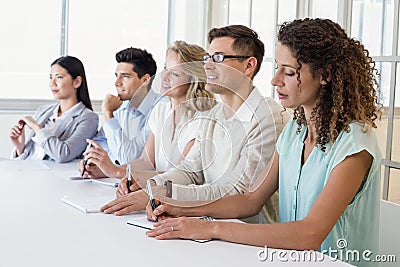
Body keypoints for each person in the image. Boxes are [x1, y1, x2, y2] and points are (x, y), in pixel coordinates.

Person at [146, 18, 382, 267]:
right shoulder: (294, 131)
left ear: (325, 75)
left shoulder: (355, 144)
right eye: (277, 68)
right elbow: (251, 200)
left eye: (289, 72)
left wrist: (211, 228)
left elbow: (309, 234)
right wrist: (179, 208)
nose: (275, 80)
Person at [104, 25, 286, 223]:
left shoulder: (268, 116)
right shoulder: (214, 115)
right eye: (207, 58)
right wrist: (150, 186)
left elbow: (237, 191)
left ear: (248, 66)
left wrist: (165, 196)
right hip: (209, 229)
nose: (207, 65)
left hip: (248, 239)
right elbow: (190, 170)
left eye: (218, 58)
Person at [99, 40, 216, 215]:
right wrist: (129, 175)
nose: (164, 77)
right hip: (160, 197)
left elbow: (181, 176)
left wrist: (117, 171)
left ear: (193, 79)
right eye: (165, 69)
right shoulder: (161, 109)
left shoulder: (204, 117)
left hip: (186, 204)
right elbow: (146, 161)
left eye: (174, 74)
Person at [79, 47, 161, 176]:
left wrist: (107, 113)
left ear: (145, 80)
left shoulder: (160, 109)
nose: (116, 82)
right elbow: (98, 144)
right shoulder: (121, 107)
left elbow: (129, 159)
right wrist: (95, 164)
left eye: (125, 76)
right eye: (117, 76)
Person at [9, 56, 99, 163]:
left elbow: (64, 154)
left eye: (59, 77)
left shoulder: (89, 118)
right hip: (27, 171)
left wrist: (37, 128)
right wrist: (20, 147)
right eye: (51, 77)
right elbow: (31, 156)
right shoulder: (43, 111)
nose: (52, 83)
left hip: (52, 176)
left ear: (77, 82)